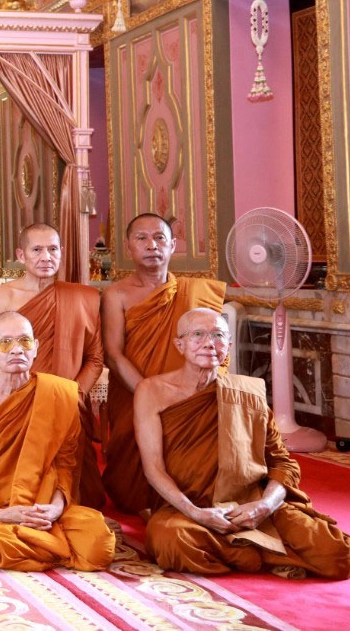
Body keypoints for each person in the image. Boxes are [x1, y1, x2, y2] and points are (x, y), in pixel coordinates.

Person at [135, 309, 350, 579]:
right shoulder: (151, 391)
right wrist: (196, 513)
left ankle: (245, 549)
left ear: (228, 346)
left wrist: (264, 506)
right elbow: (153, 468)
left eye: (218, 335)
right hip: (190, 507)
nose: (209, 343)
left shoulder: (247, 393)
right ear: (179, 344)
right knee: (169, 540)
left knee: (340, 555)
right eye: (197, 334)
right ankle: (256, 554)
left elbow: (282, 463)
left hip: (250, 502)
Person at [0, 312, 115, 572]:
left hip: (44, 509)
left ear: (36, 348)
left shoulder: (60, 394)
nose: (17, 350)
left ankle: (41, 546)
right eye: (5, 342)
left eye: (25, 341)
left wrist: (55, 509)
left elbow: (65, 466)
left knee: (99, 544)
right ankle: (50, 548)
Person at [101, 213, 224, 514]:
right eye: (141, 238)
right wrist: (150, 394)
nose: (151, 245)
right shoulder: (116, 294)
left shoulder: (194, 293)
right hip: (132, 391)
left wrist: (183, 394)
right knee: (129, 489)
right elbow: (113, 354)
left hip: (187, 393)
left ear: (172, 246)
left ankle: (190, 495)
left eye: (159, 238)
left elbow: (212, 348)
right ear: (129, 246)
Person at [0, 223, 105, 507]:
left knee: (78, 494)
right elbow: (0, 354)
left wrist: (71, 395)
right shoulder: (2, 297)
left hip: (69, 401)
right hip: (20, 401)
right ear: (21, 255)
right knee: (19, 491)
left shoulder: (84, 297)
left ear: (62, 252)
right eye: (37, 250)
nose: (46, 257)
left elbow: (95, 358)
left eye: (52, 249)